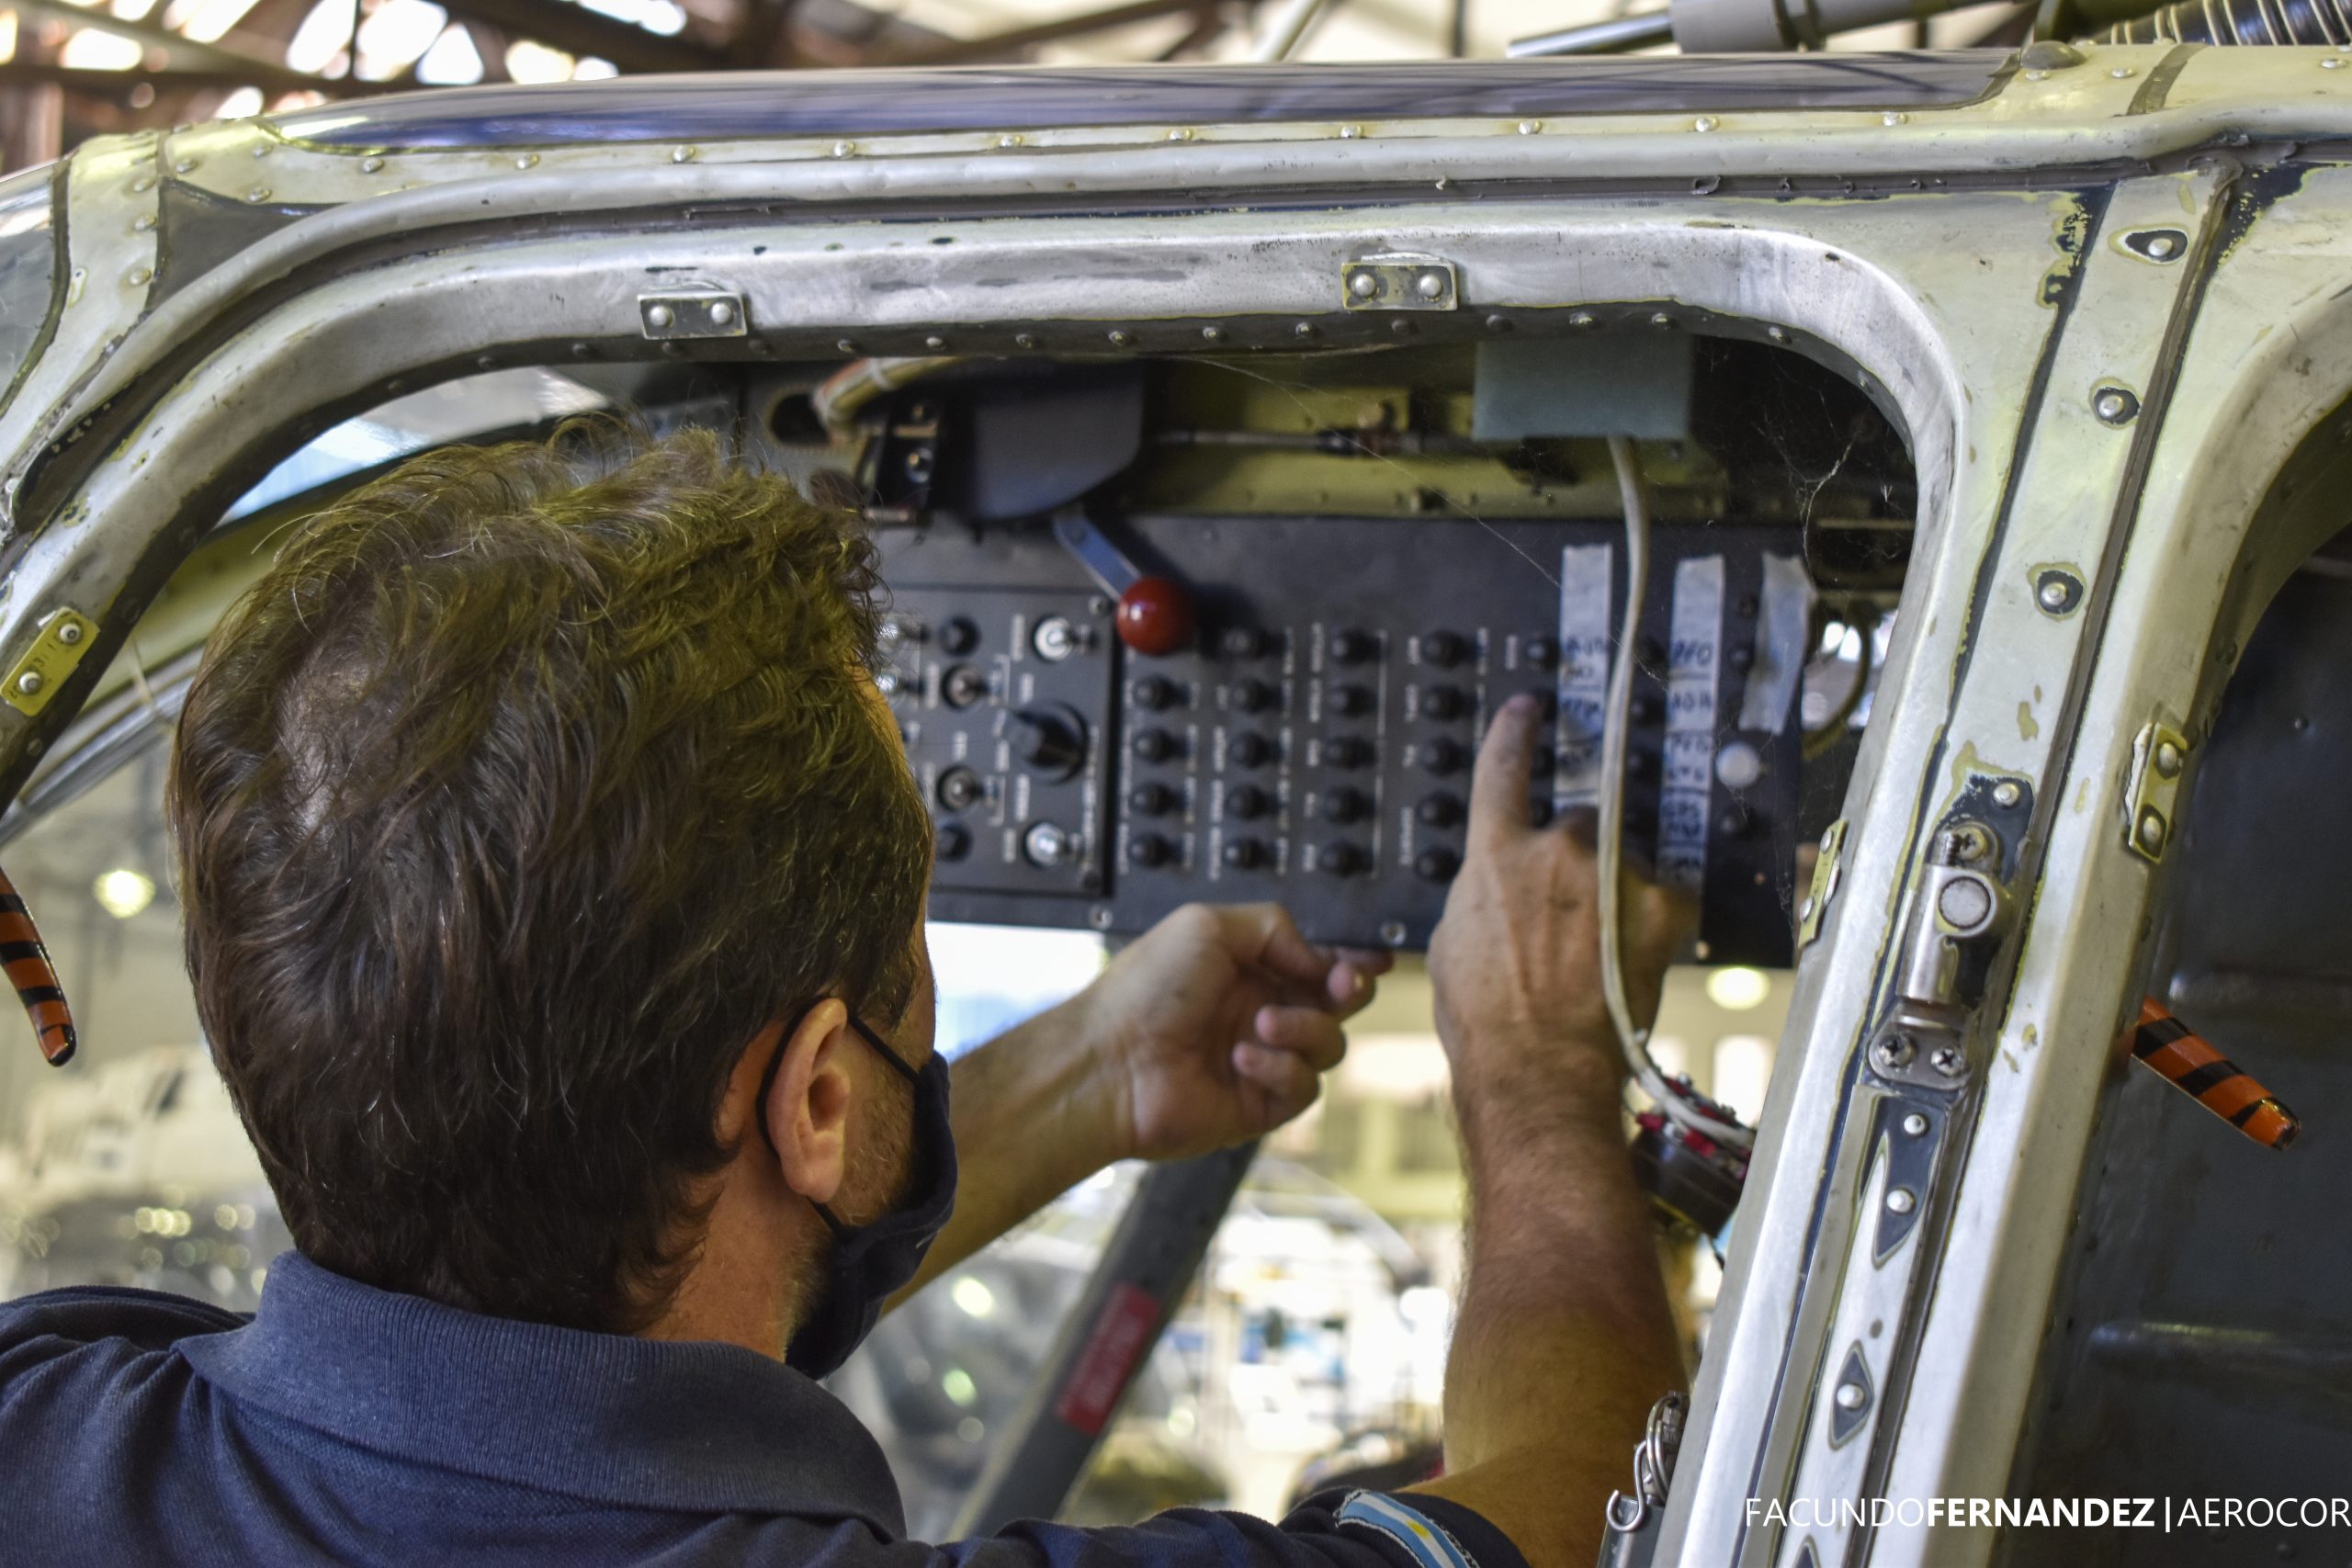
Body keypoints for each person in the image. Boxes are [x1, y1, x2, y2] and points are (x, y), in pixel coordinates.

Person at [0, 428, 1689, 1567]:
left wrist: (1097, 1068)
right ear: (819, 1098)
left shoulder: (41, 1424)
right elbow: (1581, 1508)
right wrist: (1533, 1072)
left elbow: (576, 1349)